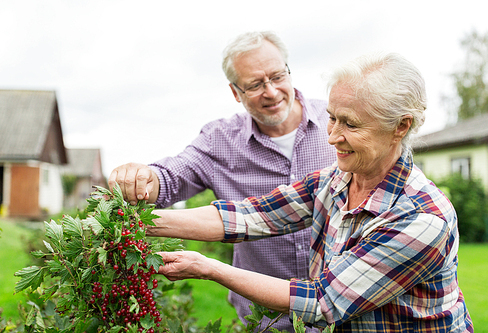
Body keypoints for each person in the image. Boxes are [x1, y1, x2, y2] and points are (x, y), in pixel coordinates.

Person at [147, 52, 474, 332]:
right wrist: (140, 221)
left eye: (350, 124)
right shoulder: (336, 181)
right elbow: (254, 216)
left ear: (400, 127)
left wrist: (209, 268)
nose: (332, 136)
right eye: (331, 118)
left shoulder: (421, 218)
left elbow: (322, 301)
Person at [108, 31, 336, 331]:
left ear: (289, 70)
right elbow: (170, 177)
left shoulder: (338, 123)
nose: (271, 91)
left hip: (344, 314)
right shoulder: (220, 142)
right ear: (235, 92)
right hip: (265, 321)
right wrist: (141, 179)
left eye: (278, 76)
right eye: (255, 84)